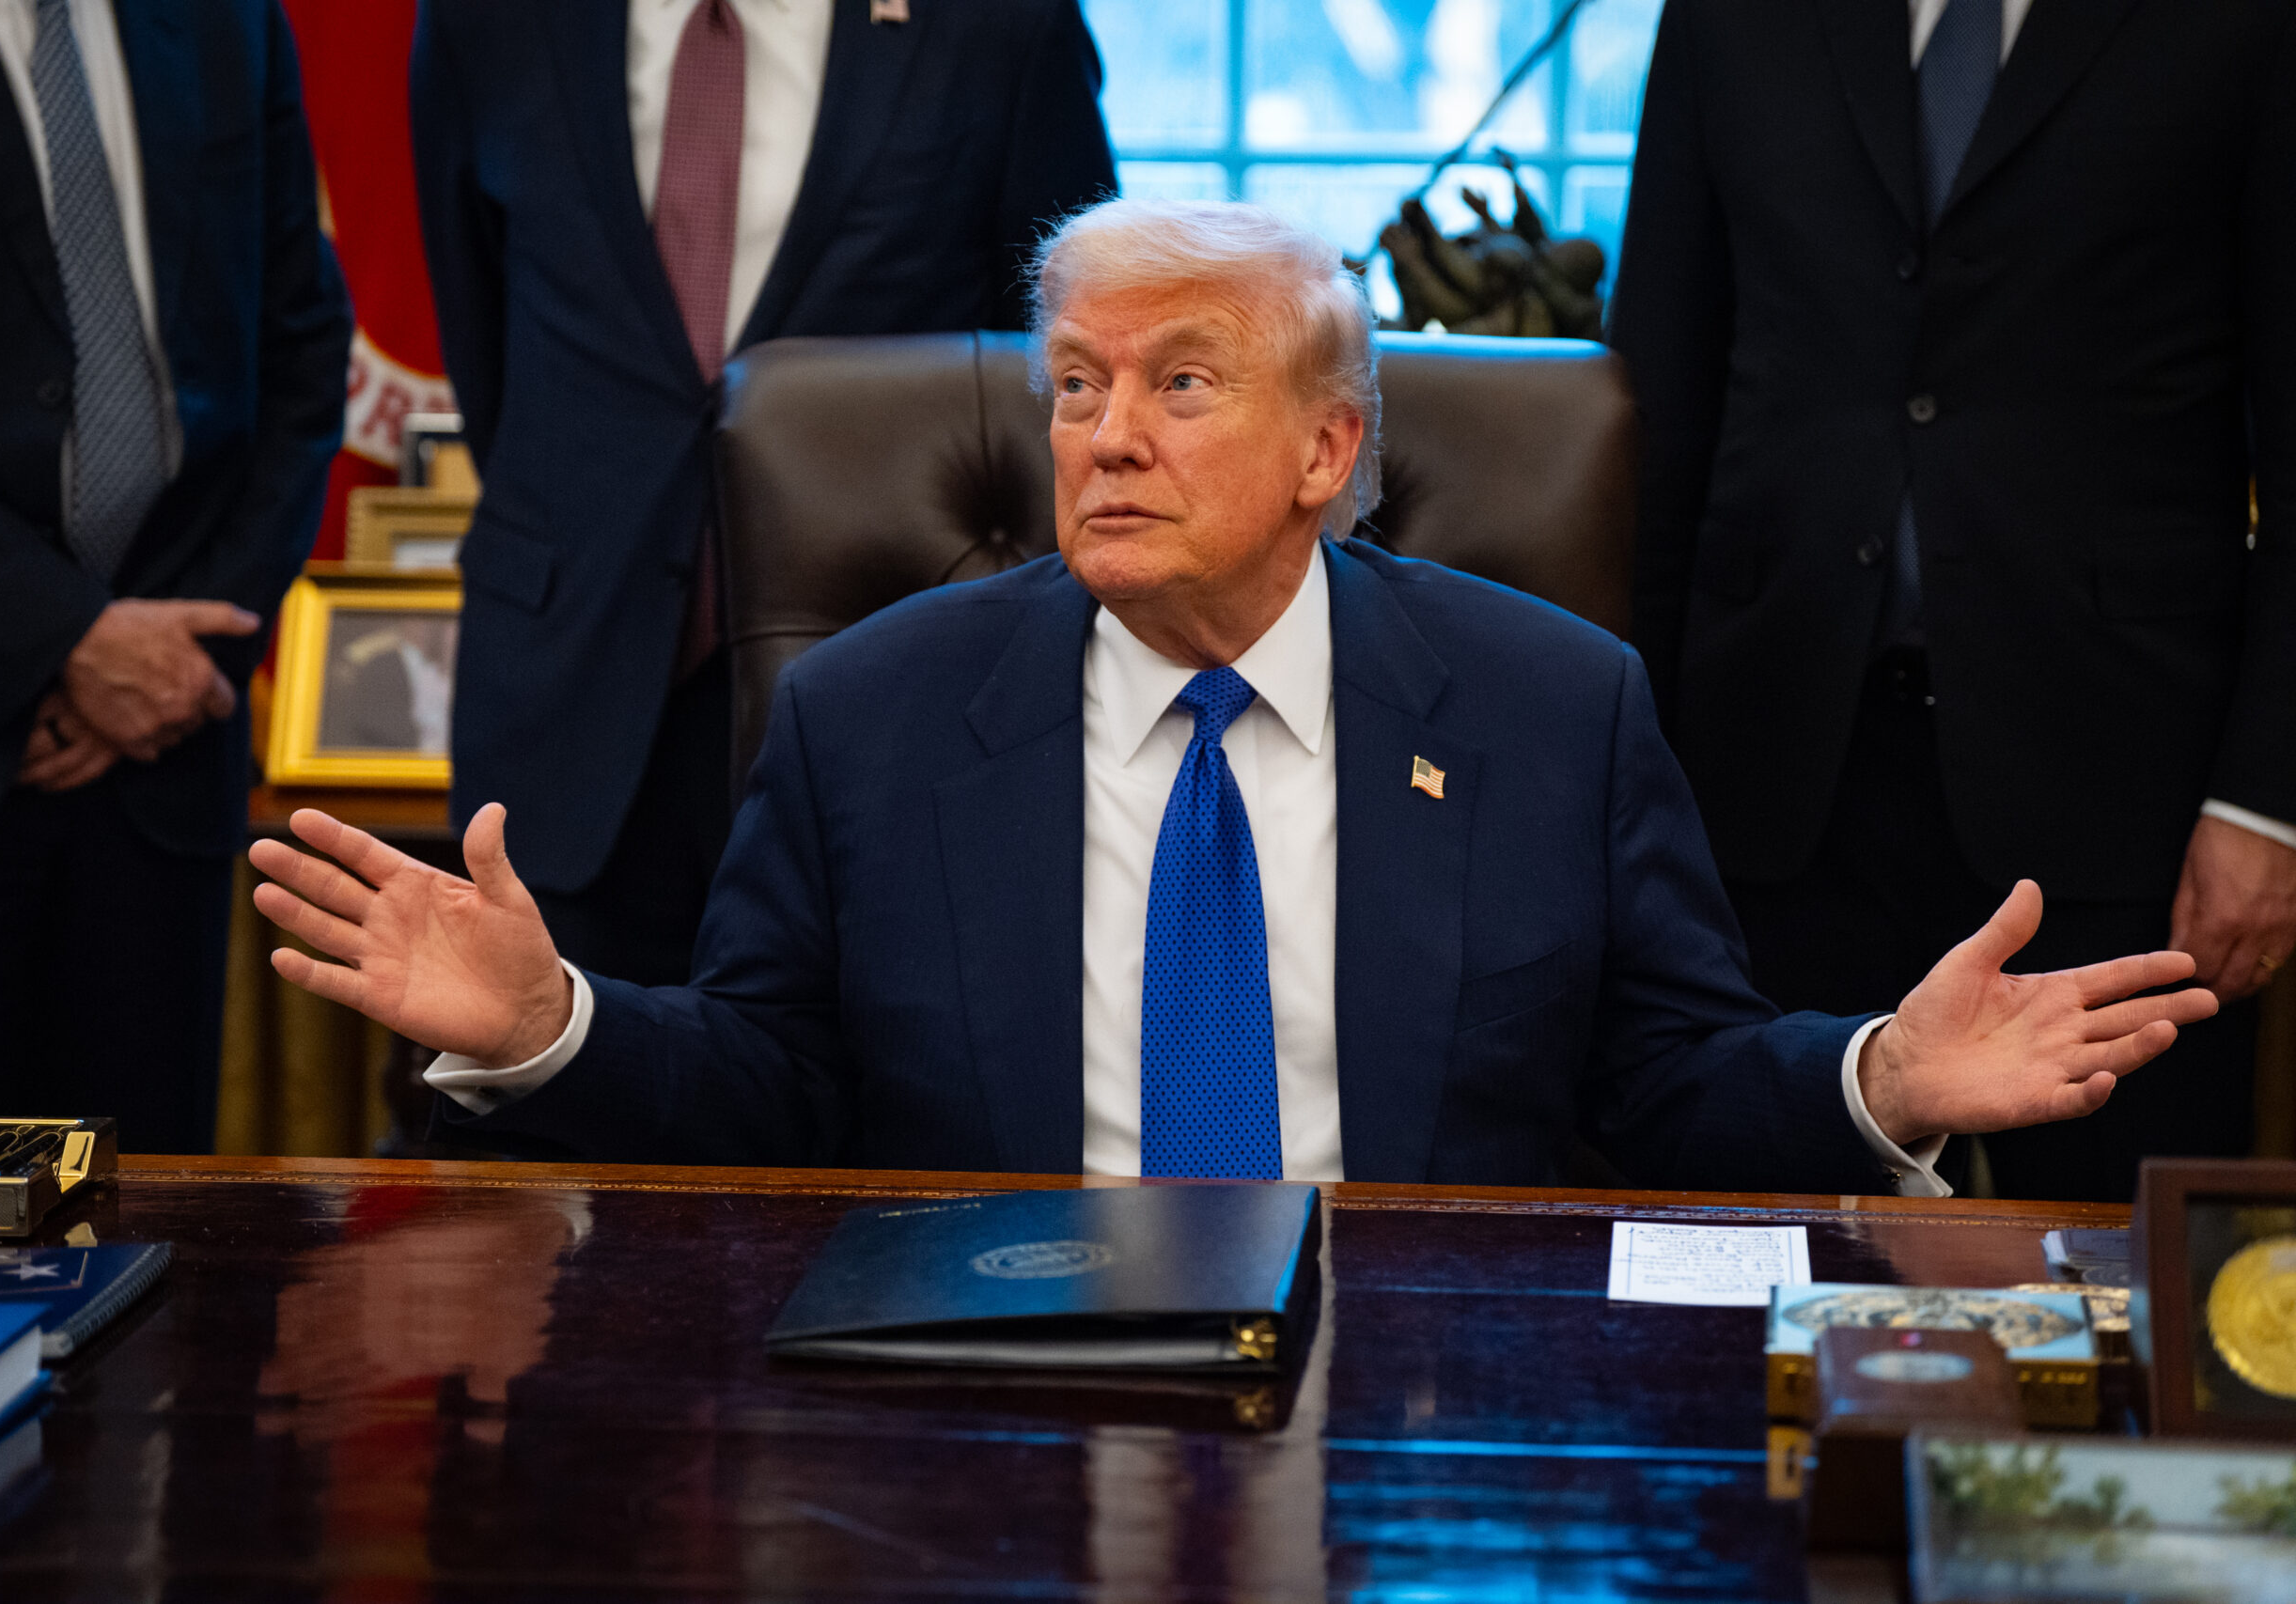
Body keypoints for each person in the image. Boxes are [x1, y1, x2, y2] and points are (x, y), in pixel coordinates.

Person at [245, 198, 2217, 1191]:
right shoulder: (874, 714)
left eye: (1179, 382)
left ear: (1325, 449)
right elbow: (773, 1092)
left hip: (1428, 1389)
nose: (1104, 434)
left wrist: (1875, 1075)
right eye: (1076, 384)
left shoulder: (1549, 706)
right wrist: (549, 1028)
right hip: (983, 1391)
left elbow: (1666, 1087)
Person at [1607, 0, 2296, 1202]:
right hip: (1772, 764)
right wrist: (1629, 767)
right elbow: (1659, 391)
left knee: (2116, 1281)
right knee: (1762, 1248)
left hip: (2129, 786)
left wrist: (2268, 802)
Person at [411, 0, 1117, 989]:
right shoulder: (488, 23)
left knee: (861, 1121)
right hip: (565, 691)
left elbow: (1057, 367)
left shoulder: (1000, 26)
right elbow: (483, 338)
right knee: (554, 1111)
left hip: (884, 693)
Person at [0, 0, 350, 1153]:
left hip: (163, 764)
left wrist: (186, 661)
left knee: (154, 1270)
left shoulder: (224, 22)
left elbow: (298, 353)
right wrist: (62, 640)